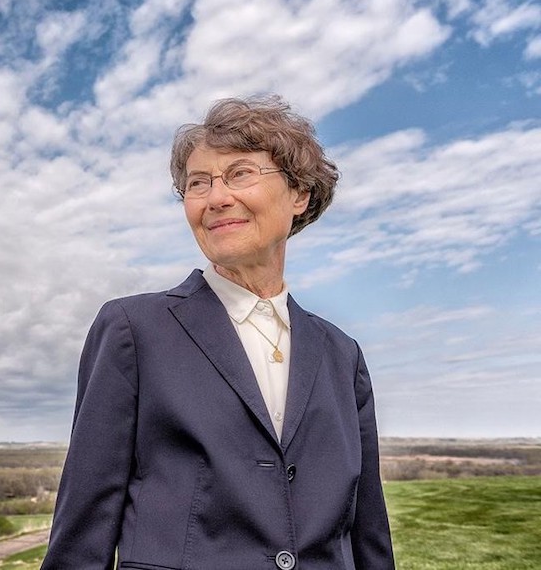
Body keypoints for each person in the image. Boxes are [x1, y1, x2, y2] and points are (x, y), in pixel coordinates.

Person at [41, 95, 394, 570]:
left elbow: (367, 529)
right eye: (198, 183)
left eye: (240, 173)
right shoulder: (132, 331)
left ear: (299, 194)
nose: (216, 197)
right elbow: (83, 532)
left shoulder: (342, 355)